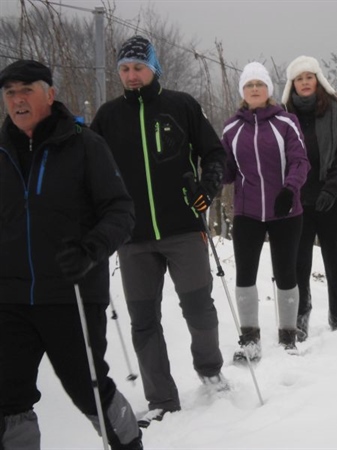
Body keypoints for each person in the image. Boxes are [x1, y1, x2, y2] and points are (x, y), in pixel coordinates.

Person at [0, 60, 142, 449]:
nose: (17, 100)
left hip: (72, 293)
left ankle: (129, 444)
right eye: (10, 92)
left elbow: (121, 210)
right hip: (9, 298)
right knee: (7, 399)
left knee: (89, 388)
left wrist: (90, 249)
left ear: (50, 93)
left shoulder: (84, 145)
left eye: (26, 90)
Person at [91, 36, 227, 428]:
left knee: (198, 306)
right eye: (124, 69)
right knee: (143, 319)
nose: (131, 76)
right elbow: (92, 169)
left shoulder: (181, 105)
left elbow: (214, 152)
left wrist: (208, 186)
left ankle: (210, 369)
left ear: (154, 69)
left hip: (183, 227)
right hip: (132, 237)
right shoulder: (108, 116)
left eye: (138, 67)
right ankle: (162, 398)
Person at [221, 62, 309, 360]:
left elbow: (300, 161)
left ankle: (288, 337)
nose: (255, 89)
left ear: (268, 90)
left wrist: (290, 188)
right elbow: (227, 170)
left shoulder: (286, 122)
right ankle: (250, 339)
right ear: (243, 92)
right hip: (247, 212)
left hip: (285, 210)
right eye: (249, 85)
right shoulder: (231, 128)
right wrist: (209, 173)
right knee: (244, 274)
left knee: (286, 273)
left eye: (259, 84)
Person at [282, 55, 337, 340]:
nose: (305, 83)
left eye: (309, 77)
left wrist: (331, 189)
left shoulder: (336, 112)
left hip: (333, 199)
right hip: (299, 200)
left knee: (336, 261)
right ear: (293, 84)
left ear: (318, 80)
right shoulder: (283, 117)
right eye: (299, 79)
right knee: (299, 263)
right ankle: (300, 319)